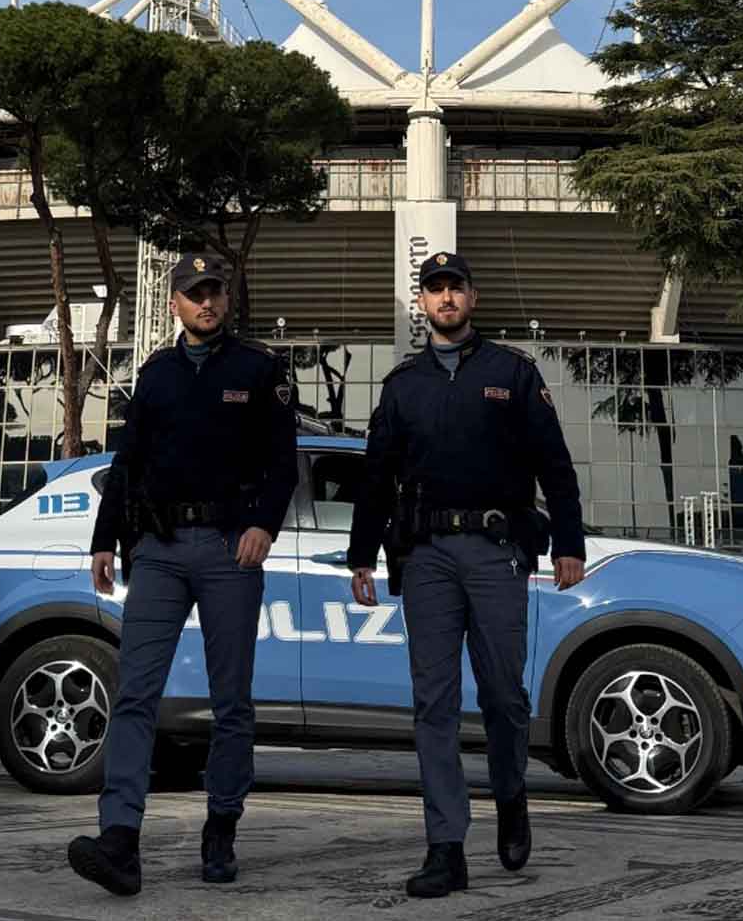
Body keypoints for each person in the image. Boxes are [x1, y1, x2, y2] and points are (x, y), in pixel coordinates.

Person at [347, 251, 586, 899]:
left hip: (496, 552)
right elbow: (376, 477)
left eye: (456, 287)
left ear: (473, 298)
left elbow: (555, 467)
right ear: (422, 303)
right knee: (434, 702)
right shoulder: (402, 386)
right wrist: (361, 555)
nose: (446, 298)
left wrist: (569, 544)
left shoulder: (512, 372)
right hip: (426, 558)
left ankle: (511, 798)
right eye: (435, 289)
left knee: (505, 694)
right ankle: (445, 847)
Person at [67, 253, 297, 898]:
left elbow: (283, 462)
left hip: (231, 549)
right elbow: (128, 461)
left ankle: (221, 825)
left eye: (215, 293)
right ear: (174, 303)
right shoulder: (156, 374)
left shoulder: (258, 370)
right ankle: (119, 840)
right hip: (160, 550)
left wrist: (264, 526)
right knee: (136, 694)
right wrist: (105, 538)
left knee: (231, 703)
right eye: (194, 294)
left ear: (227, 299)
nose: (206, 303)